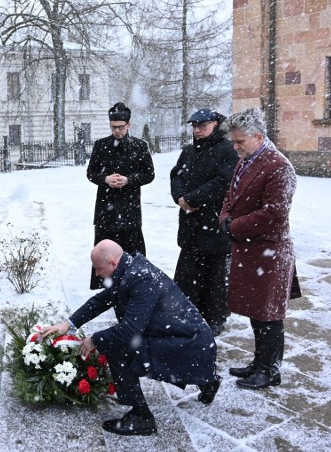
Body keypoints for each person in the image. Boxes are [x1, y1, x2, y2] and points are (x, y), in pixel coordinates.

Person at [43, 240, 221, 436]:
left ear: (112, 263)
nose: (97, 274)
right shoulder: (128, 269)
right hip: (189, 340)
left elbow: (129, 331)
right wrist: (69, 323)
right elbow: (101, 300)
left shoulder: (140, 278)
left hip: (191, 343)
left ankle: (141, 417)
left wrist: (95, 340)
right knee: (119, 340)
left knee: (118, 347)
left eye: (98, 268)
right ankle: (207, 380)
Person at [219, 107, 299, 390]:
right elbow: (230, 196)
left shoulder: (279, 166)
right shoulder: (246, 160)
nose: (235, 146)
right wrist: (225, 218)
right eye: (234, 141)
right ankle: (259, 362)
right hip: (250, 250)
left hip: (270, 252)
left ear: (259, 136)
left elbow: (274, 214)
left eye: (240, 141)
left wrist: (234, 226)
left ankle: (270, 370)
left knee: (270, 314)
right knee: (257, 312)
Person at [170, 108, 238, 336]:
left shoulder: (227, 150)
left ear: (216, 125)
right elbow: (176, 175)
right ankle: (188, 312)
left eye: (203, 126)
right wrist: (180, 198)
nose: (198, 130)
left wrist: (193, 199)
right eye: (195, 126)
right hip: (190, 224)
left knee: (215, 276)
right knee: (188, 274)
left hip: (213, 222)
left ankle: (215, 317)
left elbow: (223, 182)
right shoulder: (189, 151)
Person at [86, 102, 154, 289]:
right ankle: (106, 286)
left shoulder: (139, 146)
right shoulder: (101, 146)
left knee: (131, 249)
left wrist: (129, 180)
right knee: (105, 249)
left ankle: (134, 284)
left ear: (128, 125)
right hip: (105, 208)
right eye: (114, 127)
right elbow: (91, 173)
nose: (117, 131)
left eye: (121, 127)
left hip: (129, 207)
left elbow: (149, 174)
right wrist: (105, 179)